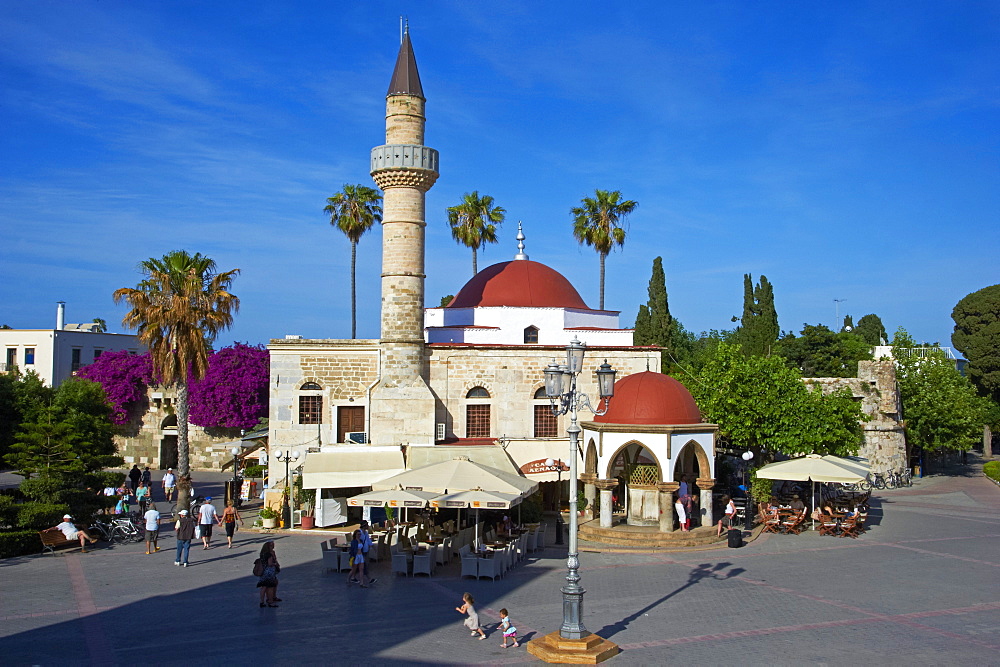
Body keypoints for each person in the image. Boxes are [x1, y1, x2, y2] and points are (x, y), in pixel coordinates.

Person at [256, 541, 280, 607]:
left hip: (263, 572)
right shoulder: (269, 554)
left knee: (264, 587)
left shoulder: (262, 553)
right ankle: (270, 601)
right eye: (271, 545)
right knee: (270, 587)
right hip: (269, 572)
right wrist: (275, 564)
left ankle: (262, 601)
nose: (273, 546)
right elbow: (270, 564)